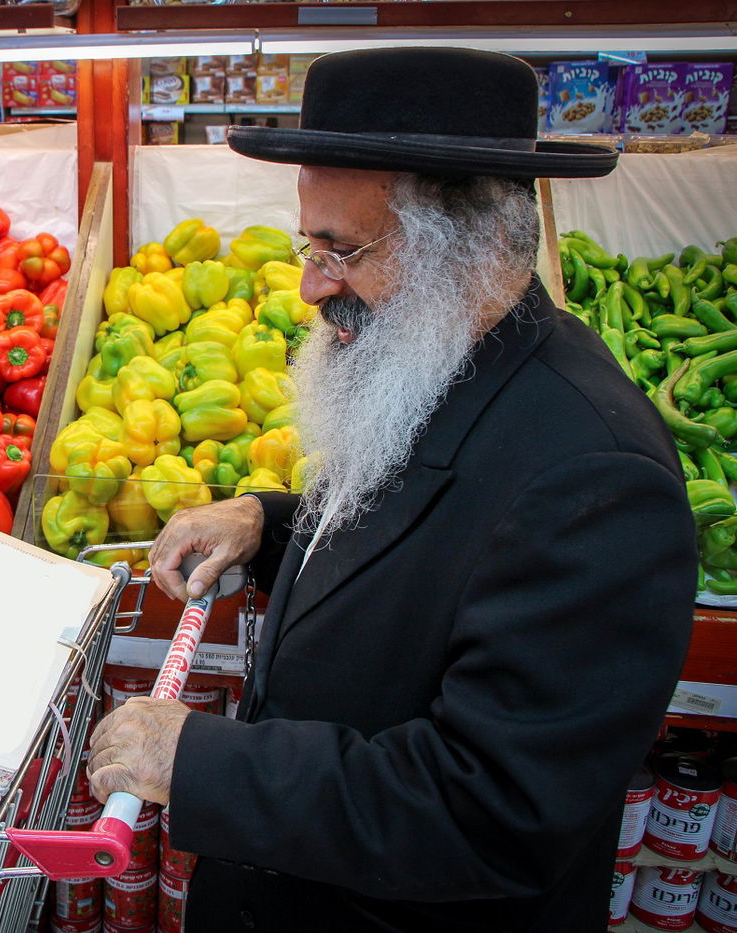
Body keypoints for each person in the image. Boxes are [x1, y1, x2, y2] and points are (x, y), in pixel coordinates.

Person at [85, 47, 697, 932]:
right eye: (310, 244)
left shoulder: (597, 476)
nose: (308, 286)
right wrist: (269, 522)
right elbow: (423, 548)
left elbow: (493, 808)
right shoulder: (434, 359)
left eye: (342, 250)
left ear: (471, 248)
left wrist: (204, 765)